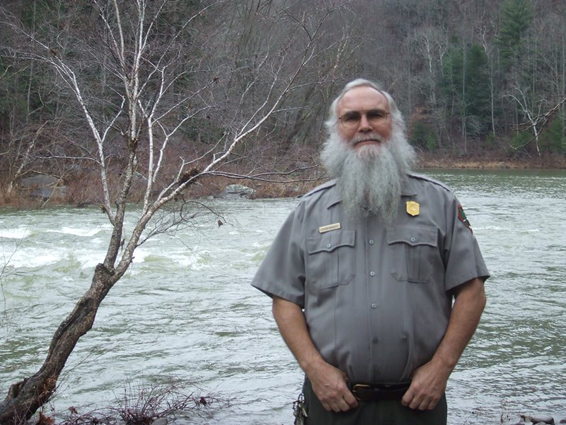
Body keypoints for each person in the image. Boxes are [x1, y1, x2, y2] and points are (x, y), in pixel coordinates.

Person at [251, 78, 489, 425]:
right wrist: (315, 370)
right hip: (334, 403)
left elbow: (472, 291)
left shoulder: (439, 203)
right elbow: (284, 299)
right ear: (337, 130)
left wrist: (441, 369)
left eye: (376, 115)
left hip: (418, 403)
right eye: (352, 118)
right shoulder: (309, 211)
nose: (365, 126)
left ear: (394, 124)